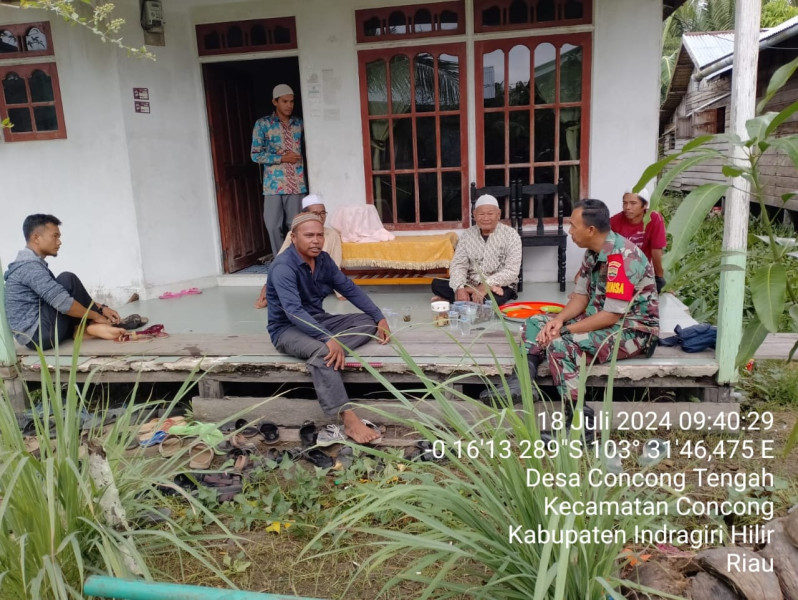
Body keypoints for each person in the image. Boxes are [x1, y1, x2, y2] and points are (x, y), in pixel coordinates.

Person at [481, 199, 659, 433]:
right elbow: (580, 297)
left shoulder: (622, 258)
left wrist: (564, 330)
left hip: (633, 331)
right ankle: (522, 382)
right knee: (536, 322)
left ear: (591, 230)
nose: (570, 230)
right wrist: (559, 320)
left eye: (573, 225)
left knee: (561, 345)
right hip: (601, 320)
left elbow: (611, 316)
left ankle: (579, 426)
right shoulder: (593, 253)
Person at [267, 213, 390, 444]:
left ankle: (323, 351)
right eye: (309, 235)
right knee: (324, 352)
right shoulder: (283, 267)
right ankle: (350, 420)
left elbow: (349, 288)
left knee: (366, 323)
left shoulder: (323, 260)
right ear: (293, 238)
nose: (316, 240)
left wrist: (379, 317)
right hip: (286, 329)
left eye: (320, 235)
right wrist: (326, 338)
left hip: (318, 321)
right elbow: (293, 311)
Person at [4, 214, 128, 349]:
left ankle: (84, 329)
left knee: (64, 286)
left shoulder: (29, 264)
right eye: (55, 236)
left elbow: (59, 294)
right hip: (39, 335)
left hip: (39, 333)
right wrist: (96, 315)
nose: (59, 242)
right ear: (36, 238)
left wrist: (101, 308)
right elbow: (63, 302)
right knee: (67, 279)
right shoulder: (29, 267)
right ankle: (92, 326)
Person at [254, 194, 343, 309]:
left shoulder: (332, 235)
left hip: (319, 282)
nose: (320, 217)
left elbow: (335, 266)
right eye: (315, 214)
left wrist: (340, 292)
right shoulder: (293, 234)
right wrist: (267, 285)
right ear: (305, 215)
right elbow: (279, 260)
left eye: (323, 213)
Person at [431, 194, 522, 305]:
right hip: (471, 282)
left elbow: (512, 271)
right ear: (474, 215)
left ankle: (460, 298)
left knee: (491, 301)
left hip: (500, 284)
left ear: (498, 214)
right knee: (437, 283)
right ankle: (468, 294)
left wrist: (487, 285)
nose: (486, 218)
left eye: (490, 214)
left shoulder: (511, 235)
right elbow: (459, 264)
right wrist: (460, 288)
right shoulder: (467, 235)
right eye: (481, 214)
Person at [251, 83, 307, 259]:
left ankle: (298, 260)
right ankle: (280, 260)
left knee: (296, 225)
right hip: (273, 184)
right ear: (275, 102)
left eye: (291, 101)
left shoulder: (300, 124)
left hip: (297, 183)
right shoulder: (263, 124)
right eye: (284, 101)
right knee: (273, 225)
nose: (289, 105)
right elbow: (255, 155)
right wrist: (282, 158)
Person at [610, 187, 667, 293]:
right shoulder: (614, 222)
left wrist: (659, 278)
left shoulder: (654, 219)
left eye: (633, 203)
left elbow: (656, 251)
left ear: (645, 206)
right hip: (617, 273)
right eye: (625, 203)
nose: (627, 207)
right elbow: (602, 250)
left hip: (642, 272)